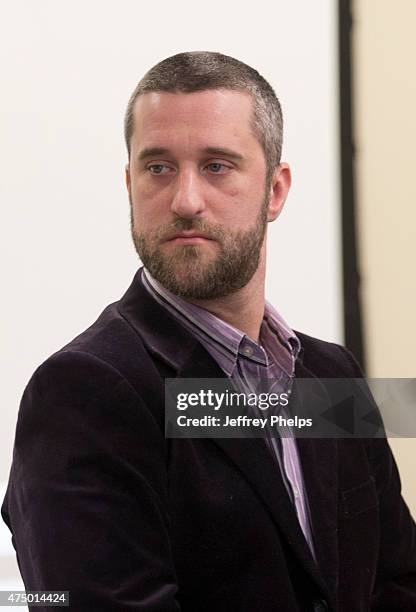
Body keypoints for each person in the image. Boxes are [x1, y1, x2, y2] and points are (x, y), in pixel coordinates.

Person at [2, 51, 416, 612]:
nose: (185, 200)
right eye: (158, 167)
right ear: (130, 184)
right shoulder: (81, 392)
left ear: (275, 190)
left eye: (217, 166)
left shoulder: (331, 374)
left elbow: (398, 581)